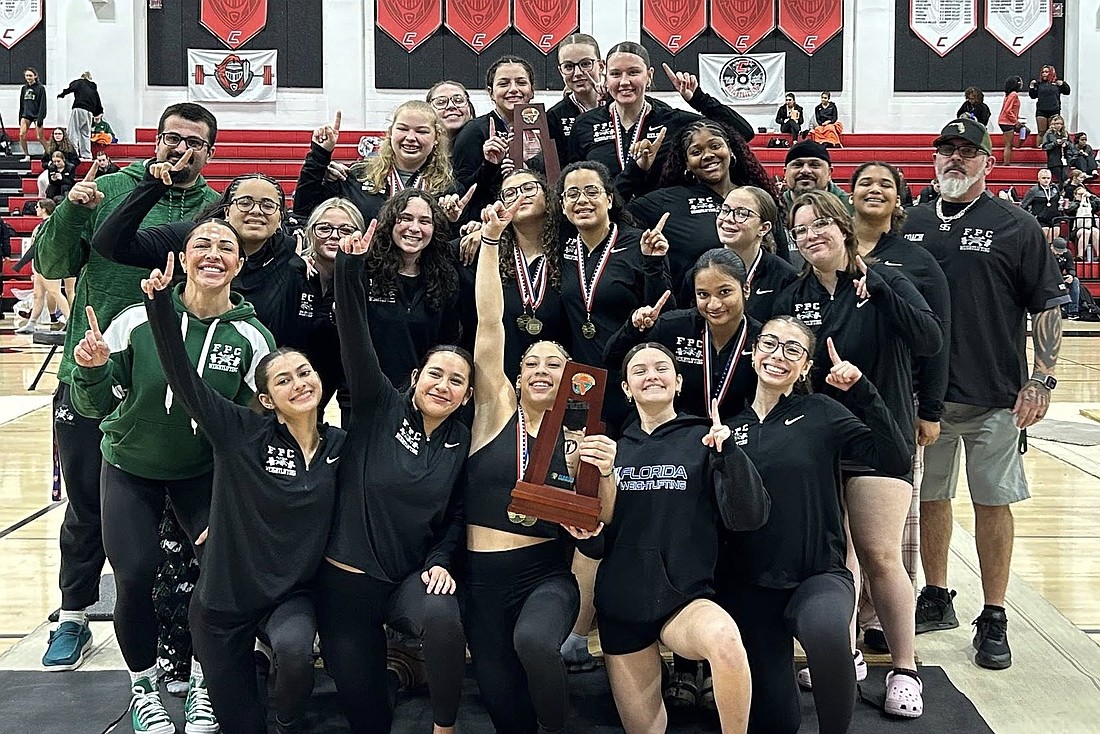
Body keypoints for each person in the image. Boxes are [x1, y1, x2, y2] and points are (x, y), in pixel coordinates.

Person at [33, 102, 221, 678]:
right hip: (92, 368)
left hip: (165, 385)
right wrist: (71, 207)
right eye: (171, 137)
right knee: (87, 504)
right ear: (155, 139)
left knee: (170, 524)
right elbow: (51, 262)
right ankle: (73, 615)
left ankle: (172, 638)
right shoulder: (109, 187)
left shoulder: (214, 210)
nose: (180, 149)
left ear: (209, 152)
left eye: (194, 142)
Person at [71, 213, 273, 734]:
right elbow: (94, 406)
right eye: (202, 244)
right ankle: (144, 688)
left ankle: (206, 680)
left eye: (225, 247)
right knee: (135, 575)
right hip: (130, 466)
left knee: (219, 575)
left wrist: (240, 496)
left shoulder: (252, 337)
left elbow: (254, 428)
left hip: (202, 474)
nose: (213, 254)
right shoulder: (135, 320)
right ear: (182, 259)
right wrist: (91, 371)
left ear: (239, 264)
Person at [138, 250, 338, 734]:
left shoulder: (341, 446)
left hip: (289, 595)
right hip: (223, 603)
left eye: (305, 373)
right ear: (267, 398)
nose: (299, 383)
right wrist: (160, 306)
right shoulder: (241, 433)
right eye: (284, 380)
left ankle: (285, 713)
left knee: (295, 654)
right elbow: (185, 381)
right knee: (238, 724)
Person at [904, 118, 1069, 670]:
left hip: (996, 394)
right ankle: (936, 594)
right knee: (930, 498)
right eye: (946, 150)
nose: (955, 158)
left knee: (992, 501)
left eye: (967, 152)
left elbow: (1047, 305)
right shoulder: (912, 223)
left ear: (988, 163)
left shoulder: (1016, 226)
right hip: (926, 397)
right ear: (934, 160)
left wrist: (1041, 378)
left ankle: (995, 613)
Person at [773, 191, 942, 716]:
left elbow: (930, 341)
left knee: (879, 553)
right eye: (800, 230)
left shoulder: (887, 280)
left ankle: (905, 669)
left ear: (844, 227)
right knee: (834, 556)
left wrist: (884, 291)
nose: (810, 236)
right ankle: (844, 654)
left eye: (820, 223)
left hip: (878, 434)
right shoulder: (793, 294)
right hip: (817, 442)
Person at [463, 200, 617, 733]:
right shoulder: (492, 413)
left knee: (534, 642)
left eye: (556, 363)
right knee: (503, 704)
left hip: (546, 575)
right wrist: (490, 243)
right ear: (517, 373)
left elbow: (600, 518)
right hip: (481, 578)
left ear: (571, 378)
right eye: (532, 362)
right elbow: (489, 323)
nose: (543, 369)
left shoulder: (580, 437)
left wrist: (606, 472)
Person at [720, 317, 912, 733]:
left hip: (817, 575)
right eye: (770, 343)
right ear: (754, 352)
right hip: (751, 586)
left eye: (793, 349)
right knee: (777, 723)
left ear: (805, 366)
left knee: (825, 632)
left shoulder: (821, 412)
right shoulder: (728, 429)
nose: (778, 355)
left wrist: (863, 391)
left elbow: (895, 458)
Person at [317, 227, 469, 734]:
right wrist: (349, 269)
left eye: (456, 381)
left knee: (443, 616)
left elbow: (456, 516)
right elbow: (353, 335)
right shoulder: (378, 404)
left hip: (406, 582)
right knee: (370, 721)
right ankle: (394, 675)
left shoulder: (461, 440)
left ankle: (444, 726)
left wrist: (441, 560)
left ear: (467, 396)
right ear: (415, 378)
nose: (443, 385)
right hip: (348, 585)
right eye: (435, 374)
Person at [580, 341, 769, 734]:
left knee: (725, 641)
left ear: (679, 382)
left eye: (661, 368)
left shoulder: (705, 439)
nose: (651, 376)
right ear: (626, 388)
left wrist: (730, 455)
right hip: (622, 606)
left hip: (683, 599)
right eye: (640, 371)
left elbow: (750, 518)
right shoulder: (610, 451)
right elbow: (597, 544)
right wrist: (585, 530)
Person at [846, 160, 952, 674]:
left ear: (899, 198)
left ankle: (884, 628)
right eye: (865, 182)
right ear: (849, 193)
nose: (874, 189)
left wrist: (929, 409)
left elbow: (937, 340)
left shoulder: (916, 261)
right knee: (843, 539)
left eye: (885, 184)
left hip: (894, 407)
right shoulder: (828, 254)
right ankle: (843, 633)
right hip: (836, 411)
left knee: (890, 537)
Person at [556, 160, 672, 430]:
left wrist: (653, 263)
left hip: (631, 377)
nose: (582, 200)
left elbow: (665, 312)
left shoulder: (640, 243)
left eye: (591, 191)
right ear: (562, 205)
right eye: (572, 194)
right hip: (583, 381)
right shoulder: (561, 248)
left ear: (609, 199)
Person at [567, 42, 754, 189]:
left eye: (633, 72)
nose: (624, 82)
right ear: (605, 77)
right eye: (615, 74)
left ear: (649, 75)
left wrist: (698, 98)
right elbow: (573, 176)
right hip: (606, 219)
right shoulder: (585, 124)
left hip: (660, 216)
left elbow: (743, 132)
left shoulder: (673, 122)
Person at [626, 120, 784, 289]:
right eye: (696, 152)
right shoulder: (667, 201)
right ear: (687, 163)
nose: (708, 155)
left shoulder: (757, 198)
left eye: (715, 146)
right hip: (699, 302)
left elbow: (782, 264)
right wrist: (636, 170)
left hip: (763, 302)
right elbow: (612, 208)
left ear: (730, 150)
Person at [605, 248, 759, 421]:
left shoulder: (761, 340)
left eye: (724, 292)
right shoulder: (673, 326)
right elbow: (612, 359)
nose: (714, 304)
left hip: (738, 433)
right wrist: (634, 329)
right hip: (677, 432)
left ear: (746, 288)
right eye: (703, 295)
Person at [457, 169, 568, 375]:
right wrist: (482, 230)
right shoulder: (486, 251)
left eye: (528, 188)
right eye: (510, 193)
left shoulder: (569, 249)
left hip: (556, 376)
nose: (520, 196)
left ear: (548, 196)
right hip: (498, 376)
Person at [293, 102, 467, 225]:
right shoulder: (358, 176)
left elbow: (454, 240)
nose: (411, 138)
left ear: (436, 137)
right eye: (403, 129)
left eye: (421, 131)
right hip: (367, 265)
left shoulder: (448, 189)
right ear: (390, 132)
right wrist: (320, 156)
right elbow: (304, 209)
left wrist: (452, 221)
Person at [357, 188, 462, 389]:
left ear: (434, 228)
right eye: (405, 218)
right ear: (390, 223)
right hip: (367, 393)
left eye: (424, 221)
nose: (414, 228)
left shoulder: (445, 278)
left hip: (420, 394)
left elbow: (446, 344)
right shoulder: (365, 270)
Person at [453, 56, 539, 225]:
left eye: (521, 82)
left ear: (532, 90)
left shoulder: (545, 127)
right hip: (488, 223)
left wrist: (532, 164)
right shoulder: (474, 131)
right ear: (491, 92)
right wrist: (490, 165)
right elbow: (462, 189)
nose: (513, 89)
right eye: (504, 83)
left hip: (535, 223)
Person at [548, 33, 607, 167]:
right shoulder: (554, 116)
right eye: (569, 67)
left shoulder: (618, 106)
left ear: (601, 66)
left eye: (585, 64)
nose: (578, 73)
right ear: (560, 71)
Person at [15, 199, 73, 335]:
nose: (35, 209)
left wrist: (21, 263)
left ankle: (69, 321)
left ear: (44, 209)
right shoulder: (42, 224)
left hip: (49, 263)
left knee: (55, 292)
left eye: (37, 207)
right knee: (38, 294)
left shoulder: (50, 224)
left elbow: (37, 246)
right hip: (40, 263)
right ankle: (31, 324)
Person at [781, 140, 853, 214]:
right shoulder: (776, 207)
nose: (805, 171)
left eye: (814, 165)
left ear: (829, 173)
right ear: (785, 173)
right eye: (797, 165)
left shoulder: (851, 208)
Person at [57, 71, 104, 160]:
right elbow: (98, 101)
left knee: (73, 131)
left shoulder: (79, 82)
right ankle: (86, 155)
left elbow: (71, 87)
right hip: (89, 112)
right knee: (85, 133)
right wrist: (99, 112)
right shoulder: (93, 88)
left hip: (79, 108)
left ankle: (73, 154)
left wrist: (62, 94)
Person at [1028, 65, 1070, 141]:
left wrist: (1063, 84)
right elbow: (1033, 96)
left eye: (1046, 72)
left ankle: (1052, 146)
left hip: (1054, 110)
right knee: (1041, 132)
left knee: (1053, 132)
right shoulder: (1039, 84)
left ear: (1051, 73)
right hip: (1041, 110)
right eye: (1043, 72)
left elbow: (1067, 92)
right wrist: (1031, 87)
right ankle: (1039, 147)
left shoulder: (1057, 84)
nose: (1044, 74)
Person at [37, 127, 80, 198]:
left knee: (64, 185)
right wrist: (49, 165)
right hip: (52, 169)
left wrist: (66, 165)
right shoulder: (49, 147)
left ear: (63, 135)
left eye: (59, 134)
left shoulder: (69, 147)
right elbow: (44, 161)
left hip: (66, 170)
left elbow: (76, 161)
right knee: (41, 180)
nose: (57, 136)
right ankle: (42, 197)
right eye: (56, 134)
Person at [1020, 169, 1061, 242]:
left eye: (1048, 178)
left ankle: (1051, 250)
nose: (1046, 180)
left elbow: (1058, 201)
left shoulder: (1055, 188)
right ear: (1038, 179)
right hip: (1040, 219)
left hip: (1054, 217)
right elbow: (1023, 206)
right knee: (1044, 238)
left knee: (1054, 237)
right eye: (1043, 178)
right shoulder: (1033, 191)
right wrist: (1031, 216)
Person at [18, 67, 47, 162]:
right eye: (27, 76)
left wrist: (40, 118)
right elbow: (22, 103)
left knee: (40, 137)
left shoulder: (40, 88)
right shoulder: (24, 88)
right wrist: (20, 117)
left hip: (37, 115)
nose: (28, 77)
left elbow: (43, 104)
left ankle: (49, 153)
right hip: (26, 114)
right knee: (22, 135)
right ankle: (26, 155)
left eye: (30, 75)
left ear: (35, 76)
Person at [1065, 184, 1099, 262]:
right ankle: (1080, 256)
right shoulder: (1073, 204)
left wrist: (1091, 196)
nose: (1082, 196)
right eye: (1079, 194)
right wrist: (1079, 202)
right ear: (1075, 195)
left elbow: (1099, 204)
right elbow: (1069, 210)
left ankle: (1098, 255)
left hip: (1090, 228)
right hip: (1076, 230)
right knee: (1085, 232)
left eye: (1083, 194)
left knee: (1095, 231)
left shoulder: (1091, 205)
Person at [1051, 238, 1081, 319]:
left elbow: (1071, 268)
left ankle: (1073, 312)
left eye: (1061, 251)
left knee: (1075, 281)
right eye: (1057, 251)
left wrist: (1071, 275)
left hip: (1060, 277)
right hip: (1048, 278)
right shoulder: (1046, 254)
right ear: (1052, 247)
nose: (1059, 253)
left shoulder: (1067, 253)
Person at [1041, 114, 1075, 183]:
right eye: (1057, 124)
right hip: (1054, 160)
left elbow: (1072, 145)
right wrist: (1055, 143)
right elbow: (1045, 147)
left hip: (1065, 159)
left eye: (1061, 124)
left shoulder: (1065, 133)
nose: (1059, 126)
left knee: (1065, 177)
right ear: (1053, 124)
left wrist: (1066, 144)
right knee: (1061, 178)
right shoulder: (1049, 134)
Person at [998, 76, 1024, 165]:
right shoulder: (1013, 95)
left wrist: (1017, 117)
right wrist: (1016, 121)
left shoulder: (1009, 95)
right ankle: (1006, 163)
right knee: (1008, 145)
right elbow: (1007, 110)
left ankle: (1017, 145)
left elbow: (1010, 110)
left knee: (1025, 131)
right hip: (1007, 122)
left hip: (1005, 121)